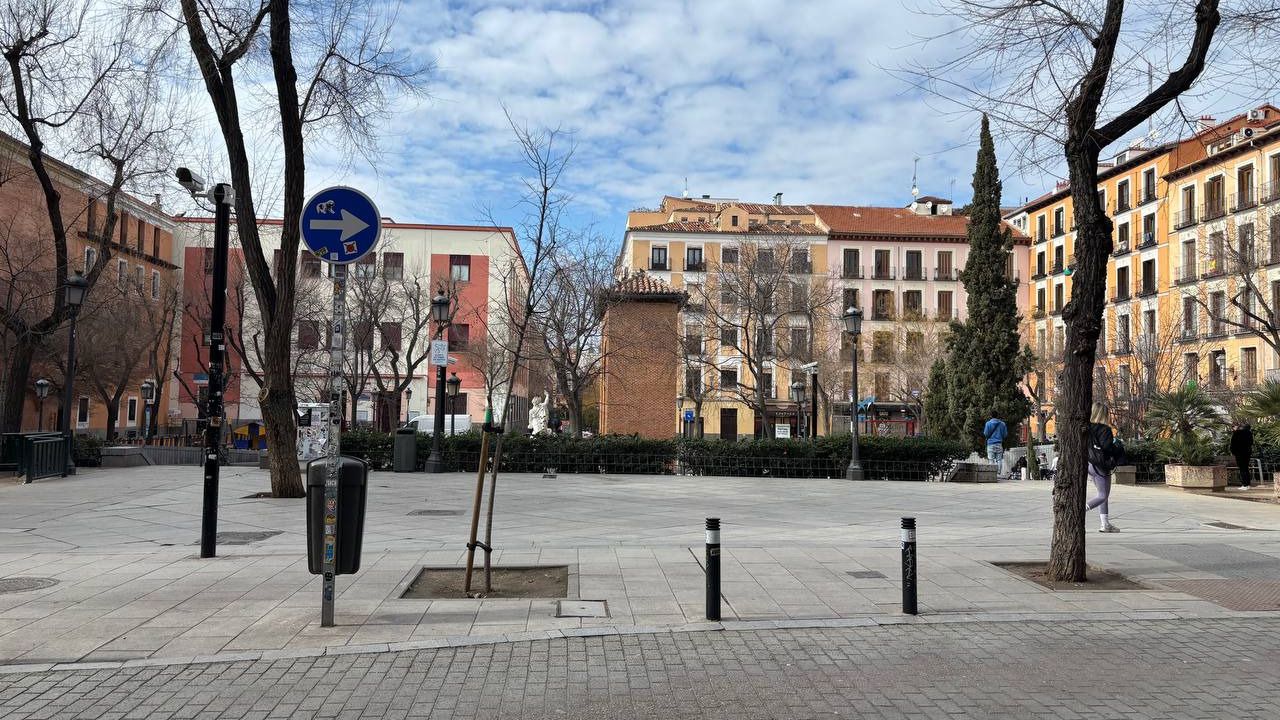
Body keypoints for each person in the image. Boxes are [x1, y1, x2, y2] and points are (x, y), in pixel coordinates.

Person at [1087, 402, 1122, 533]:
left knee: (1102, 494)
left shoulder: (1088, 428)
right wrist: (1117, 446)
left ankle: (1105, 524)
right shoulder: (1104, 429)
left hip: (1090, 464)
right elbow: (1107, 448)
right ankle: (1080, 509)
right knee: (1102, 495)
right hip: (1101, 465)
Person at [1230, 421, 1255, 490]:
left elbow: (1233, 444)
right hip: (1247, 453)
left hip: (1239, 453)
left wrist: (1233, 452)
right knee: (1246, 468)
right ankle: (1248, 484)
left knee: (1242, 469)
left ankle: (1244, 484)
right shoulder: (1249, 433)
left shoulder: (1237, 433)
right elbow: (1251, 443)